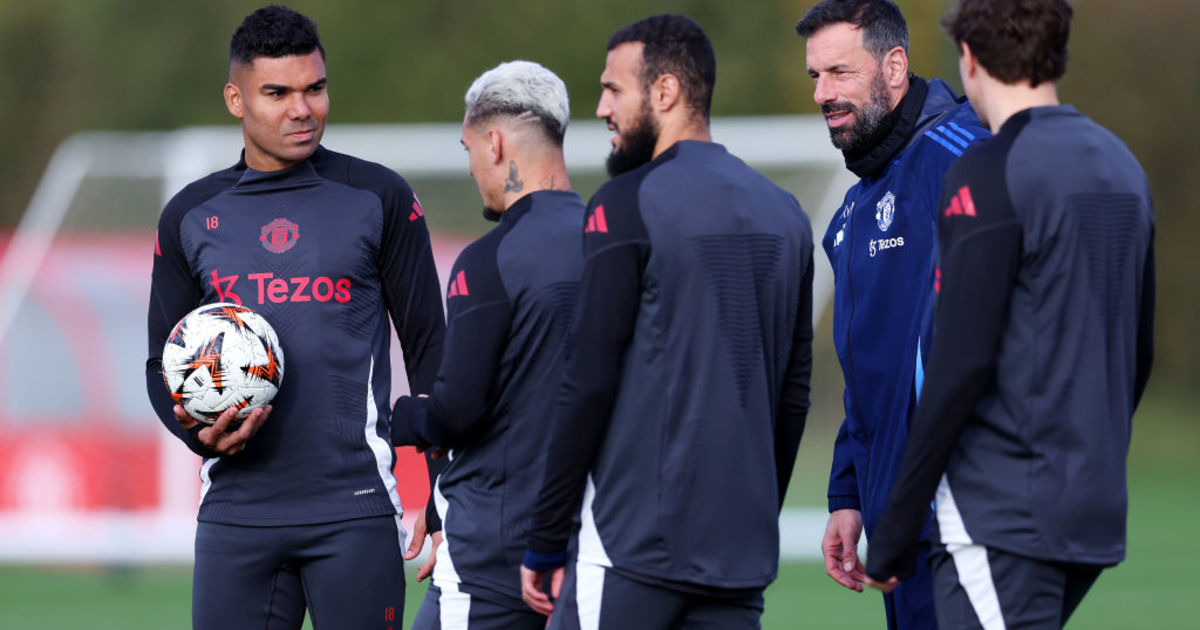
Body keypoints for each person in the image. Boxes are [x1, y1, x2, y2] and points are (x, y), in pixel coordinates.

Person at [144, 6, 445, 628]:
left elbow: (430, 355)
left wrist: (444, 494)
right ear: (236, 99)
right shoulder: (190, 215)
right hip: (235, 515)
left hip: (354, 509)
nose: (302, 109)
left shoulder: (380, 197)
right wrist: (199, 435)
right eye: (277, 93)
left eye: (315, 89)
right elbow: (159, 365)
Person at [863, 1, 1155, 628]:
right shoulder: (1121, 167)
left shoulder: (987, 171)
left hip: (999, 514)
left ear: (969, 58)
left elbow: (958, 364)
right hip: (1091, 508)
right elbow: (1136, 352)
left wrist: (898, 524)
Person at [519, 14, 814, 629]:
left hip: (633, 549)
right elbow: (792, 394)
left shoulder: (626, 203)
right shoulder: (786, 214)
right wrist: (754, 515)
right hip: (739, 557)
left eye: (613, 89)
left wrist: (546, 537)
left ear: (666, 91)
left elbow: (587, 380)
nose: (601, 108)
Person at [793, 1, 989, 627]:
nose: (823, 93)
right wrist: (849, 492)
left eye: (840, 72)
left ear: (895, 66)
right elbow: (873, 367)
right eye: (815, 76)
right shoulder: (851, 213)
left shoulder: (969, 158)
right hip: (895, 521)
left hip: (967, 518)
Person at [390, 59, 586, 630]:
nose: (472, 166)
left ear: (495, 143)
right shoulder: (616, 243)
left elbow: (457, 411)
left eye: (468, 148)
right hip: (593, 544)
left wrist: (398, 417)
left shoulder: (491, 258)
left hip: (495, 555)